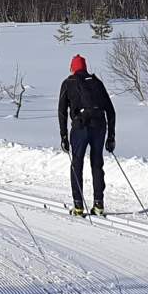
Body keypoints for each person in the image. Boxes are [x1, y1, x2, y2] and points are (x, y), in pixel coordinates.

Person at [57, 53, 116, 216]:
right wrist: (111, 136)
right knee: (97, 164)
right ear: (85, 67)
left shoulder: (68, 83)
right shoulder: (97, 82)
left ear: (73, 68)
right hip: (99, 126)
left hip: (80, 127)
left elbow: (62, 111)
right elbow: (111, 111)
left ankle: (78, 205)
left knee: (77, 163)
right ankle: (99, 204)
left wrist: (63, 135)